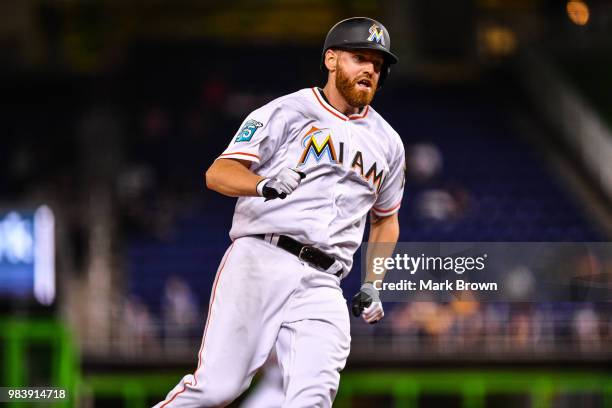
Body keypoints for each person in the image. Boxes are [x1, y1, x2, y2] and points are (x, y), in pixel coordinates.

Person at [155, 16, 405, 408]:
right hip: (263, 258)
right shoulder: (287, 111)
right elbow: (217, 172)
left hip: (325, 281)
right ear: (332, 59)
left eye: (378, 65)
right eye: (361, 58)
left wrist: (373, 283)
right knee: (217, 388)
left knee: (315, 396)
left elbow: (386, 219)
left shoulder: (389, 143)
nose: (371, 70)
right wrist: (262, 185)